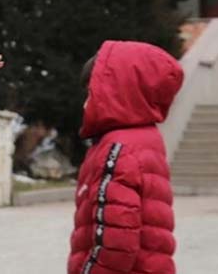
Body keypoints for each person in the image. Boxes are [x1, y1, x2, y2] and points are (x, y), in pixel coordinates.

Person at [67, 40, 184, 274]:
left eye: (91, 93)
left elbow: (115, 245)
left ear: (117, 91)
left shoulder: (118, 149)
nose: (85, 104)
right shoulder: (144, 138)